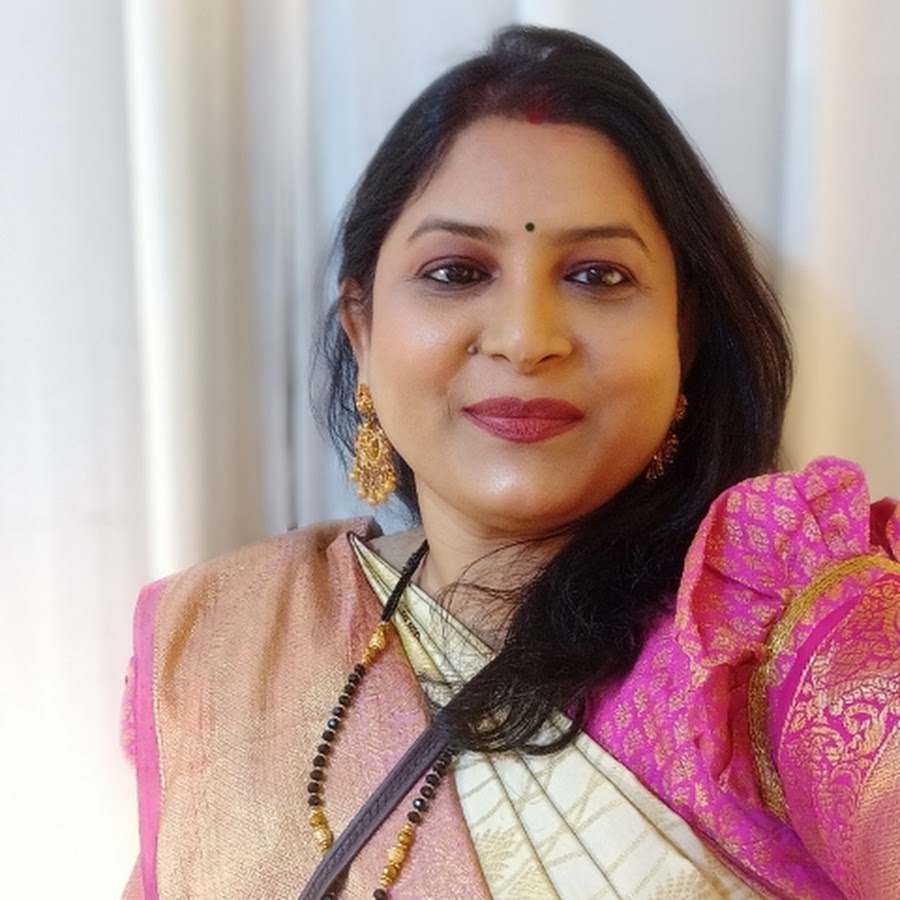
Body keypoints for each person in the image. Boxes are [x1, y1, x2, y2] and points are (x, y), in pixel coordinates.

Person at [121, 25, 900, 900]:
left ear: (683, 337)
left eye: (598, 276)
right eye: (457, 272)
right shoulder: (233, 645)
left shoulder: (780, 633)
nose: (527, 340)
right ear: (361, 330)